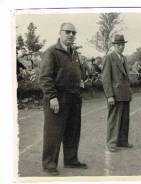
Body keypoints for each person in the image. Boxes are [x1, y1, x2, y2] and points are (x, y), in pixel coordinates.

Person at [39, 23, 87, 176]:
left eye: (74, 32)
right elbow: (45, 77)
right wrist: (52, 97)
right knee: (53, 132)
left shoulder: (74, 53)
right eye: (68, 32)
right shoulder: (51, 52)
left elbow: (79, 72)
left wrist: (81, 79)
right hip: (58, 98)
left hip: (74, 97)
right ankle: (49, 164)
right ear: (60, 33)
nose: (71, 35)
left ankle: (71, 160)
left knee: (72, 131)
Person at [102, 34, 133, 152]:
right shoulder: (108, 58)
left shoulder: (124, 58)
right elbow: (105, 78)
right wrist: (109, 95)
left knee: (125, 119)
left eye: (123, 45)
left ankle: (122, 141)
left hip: (125, 94)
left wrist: (129, 92)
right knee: (114, 119)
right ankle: (111, 143)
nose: (121, 47)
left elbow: (127, 78)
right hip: (115, 94)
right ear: (114, 46)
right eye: (119, 45)